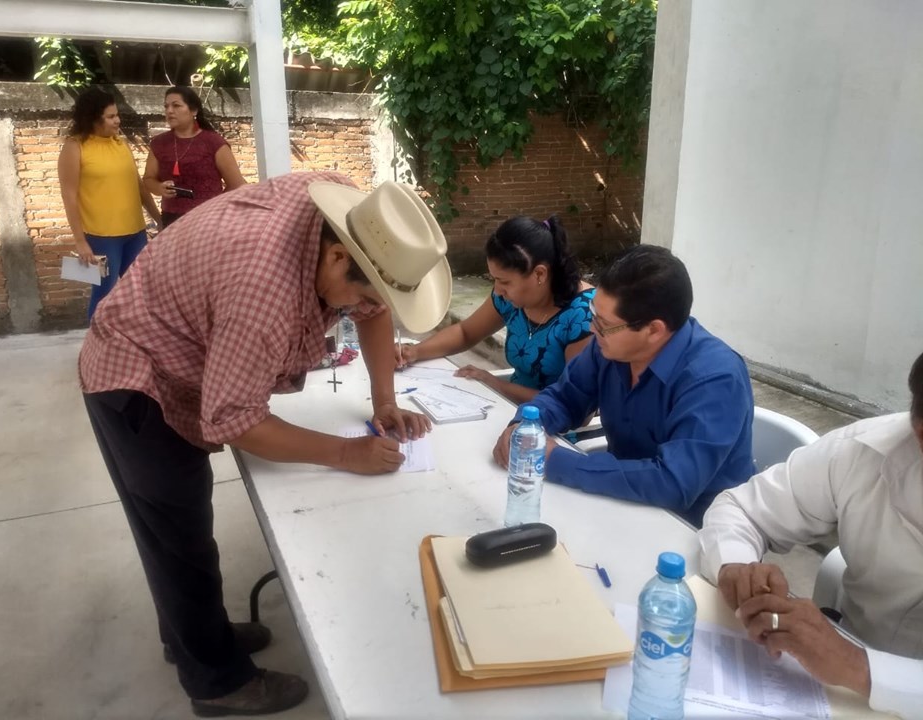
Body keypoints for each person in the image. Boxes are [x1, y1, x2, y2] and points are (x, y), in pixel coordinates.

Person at [79, 172, 451, 716]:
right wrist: (346, 453)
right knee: (178, 534)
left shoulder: (359, 221)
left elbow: (375, 309)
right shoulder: (264, 288)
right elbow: (233, 418)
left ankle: (192, 635)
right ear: (335, 259)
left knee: (181, 535)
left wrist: (383, 399)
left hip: (183, 347)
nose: (356, 311)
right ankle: (215, 681)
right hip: (136, 374)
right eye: (356, 297)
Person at [698, 351, 923, 718]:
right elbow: (740, 509)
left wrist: (859, 667)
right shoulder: (864, 453)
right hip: (833, 692)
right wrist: (735, 565)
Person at [492, 244, 755, 527]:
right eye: (594, 315)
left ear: (654, 330)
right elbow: (566, 397)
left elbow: (673, 483)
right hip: (618, 505)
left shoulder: (715, 379)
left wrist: (554, 461)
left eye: (604, 324)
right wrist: (524, 426)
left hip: (695, 531)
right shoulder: (610, 347)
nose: (593, 330)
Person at [397, 215, 594, 404]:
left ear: (539, 274)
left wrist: (495, 385)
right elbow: (466, 332)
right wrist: (414, 352)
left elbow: (575, 405)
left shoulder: (583, 316)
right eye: (494, 279)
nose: (498, 290)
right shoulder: (511, 299)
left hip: (555, 430)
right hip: (510, 408)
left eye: (504, 281)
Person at [57, 87, 161, 320]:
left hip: (135, 234)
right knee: (104, 294)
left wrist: (159, 219)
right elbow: (69, 196)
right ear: (94, 118)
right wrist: (80, 242)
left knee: (143, 292)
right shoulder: (74, 148)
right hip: (101, 237)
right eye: (111, 116)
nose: (118, 120)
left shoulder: (120, 144)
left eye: (117, 115)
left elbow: (139, 187)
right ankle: (93, 352)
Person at [143, 86, 247, 228]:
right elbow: (148, 179)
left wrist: (213, 206)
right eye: (166, 106)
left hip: (208, 220)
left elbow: (237, 184)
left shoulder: (213, 142)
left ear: (194, 111)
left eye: (176, 106)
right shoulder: (159, 143)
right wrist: (159, 188)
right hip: (172, 219)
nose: (169, 111)